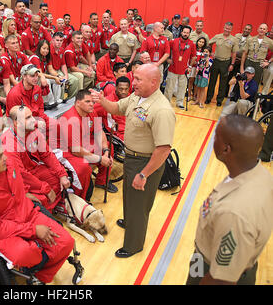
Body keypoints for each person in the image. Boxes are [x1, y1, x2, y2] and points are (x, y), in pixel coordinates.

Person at [0, 136, 74, 284]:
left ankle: (40, 278)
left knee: (66, 242)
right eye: (0, 156)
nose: (6, 157)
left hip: (28, 214)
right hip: (3, 231)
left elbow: (24, 179)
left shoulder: (9, 164)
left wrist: (34, 191)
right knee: (28, 254)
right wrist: (33, 230)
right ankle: (34, 260)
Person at [92, 63, 175, 258]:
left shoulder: (162, 110)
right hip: (131, 157)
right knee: (129, 197)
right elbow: (116, 108)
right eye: (134, 77)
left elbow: (163, 149)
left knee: (139, 205)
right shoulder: (137, 96)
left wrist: (144, 173)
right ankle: (129, 222)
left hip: (145, 163)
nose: (133, 82)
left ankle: (133, 245)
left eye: (138, 79)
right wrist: (102, 99)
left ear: (153, 82)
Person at [186, 114, 273, 285]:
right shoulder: (261, 175)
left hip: (211, 271)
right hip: (229, 262)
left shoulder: (233, 212)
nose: (213, 139)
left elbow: (222, 279)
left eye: (216, 135)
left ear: (226, 149)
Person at [0, 105, 71, 212]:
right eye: (28, 118)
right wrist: (45, 188)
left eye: (32, 116)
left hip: (34, 170)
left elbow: (47, 154)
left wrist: (61, 174)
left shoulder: (33, 131)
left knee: (59, 180)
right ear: (16, 123)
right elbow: (21, 173)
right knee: (41, 198)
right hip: (17, 178)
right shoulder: (8, 142)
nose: (33, 120)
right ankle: (48, 217)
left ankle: (56, 206)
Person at [57, 89, 114, 199]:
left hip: (81, 143)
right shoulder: (70, 119)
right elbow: (75, 150)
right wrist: (99, 159)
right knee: (83, 168)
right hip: (64, 150)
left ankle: (101, 181)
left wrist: (106, 151)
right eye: (88, 101)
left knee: (107, 145)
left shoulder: (91, 112)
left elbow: (99, 131)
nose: (92, 104)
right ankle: (80, 199)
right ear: (78, 102)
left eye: (93, 101)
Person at [5, 64, 51, 129]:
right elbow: (16, 119)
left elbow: (40, 107)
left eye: (37, 75)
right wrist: (35, 123)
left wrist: (41, 119)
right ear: (24, 76)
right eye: (32, 76)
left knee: (57, 126)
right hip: (22, 124)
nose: (36, 79)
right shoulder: (14, 94)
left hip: (36, 119)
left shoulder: (37, 89)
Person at [205, 22, 238, 106]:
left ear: (231, 29)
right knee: (212, 80)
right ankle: (208, 98)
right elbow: (209, 44)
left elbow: (234, 53)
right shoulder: (217, 36)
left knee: (223, 83)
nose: (227, 30)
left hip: (226, 62)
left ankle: (219, 100)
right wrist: (211, 52)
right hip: (216, 61)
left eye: (229, 28)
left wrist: (232, 64)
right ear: (224, 27)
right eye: (226, 28)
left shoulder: (233, 40)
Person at [164, 25, 196, 109]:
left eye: (187, 33)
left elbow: (194, 56)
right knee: (169, 87)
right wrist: (167, 59)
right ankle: (166, 102)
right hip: (173, 68)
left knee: (182, 88)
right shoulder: (174, 41)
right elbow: (165, 49)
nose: (185, 34)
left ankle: (180, 102)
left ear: (189, 34)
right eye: (184, 32)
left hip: (184, 70)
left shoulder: (191, 44)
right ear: (181, 32)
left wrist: (190, 66)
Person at [94, 76, 131, 141]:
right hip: (118, 136)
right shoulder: (106, 101)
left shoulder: (132, 99)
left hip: (133, 131)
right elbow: (91, 112)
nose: (123, 92)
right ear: (116, 88)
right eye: (121, 89)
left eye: (126, 89)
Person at [29, 40, 65, 107]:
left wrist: (58, 76)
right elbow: (40, 73)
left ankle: (57, 100)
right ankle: (48, 102)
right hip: (33, 78)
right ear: (39, 48)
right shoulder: (35, 58)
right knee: (47, 81)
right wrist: (54, 77)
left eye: (47, 49)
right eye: (44, 48)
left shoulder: (46, 57)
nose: (46, 50)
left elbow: (50, 69)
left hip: (41, 76)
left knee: (58, 79)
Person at [226, 24, 253, 98]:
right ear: (243, 28)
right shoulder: (237, 36)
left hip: (242, 61)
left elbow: (249, 51)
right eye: (246, 28)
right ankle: (225, 93)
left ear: (251, 31)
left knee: (239, 78)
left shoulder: (251, 39)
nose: (247, 30)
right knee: (228, 77)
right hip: (234, 59)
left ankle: (234, 94)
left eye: (249, 29)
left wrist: (242, 60)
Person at [188, 36, 208, 102]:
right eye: (200, 41)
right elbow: (190, 56)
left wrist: (200, 66)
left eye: (203, 42)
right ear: (197, 42)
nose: (201, 43)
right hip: (193, 66)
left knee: (196, 82)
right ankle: (189, 95)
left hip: (199, 68)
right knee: (191, 80)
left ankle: (194, 96)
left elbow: (205, 60)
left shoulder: (205, 51)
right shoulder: (193, 48)